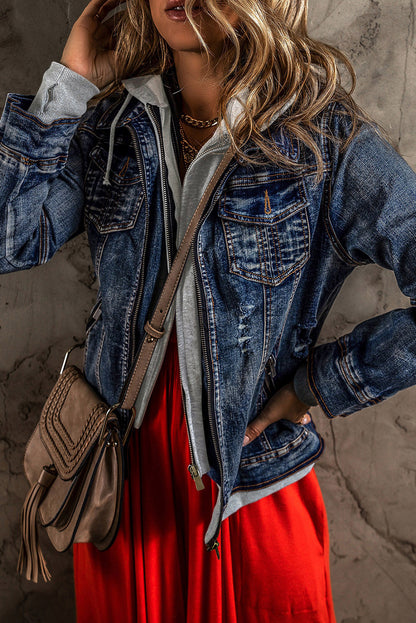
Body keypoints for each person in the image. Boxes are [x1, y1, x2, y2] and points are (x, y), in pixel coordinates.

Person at [1, 0, 416, 621]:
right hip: (121, 490)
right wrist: (70, 82)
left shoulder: (323, 140)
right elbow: (10, 238)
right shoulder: (114, 127)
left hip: (249, 492)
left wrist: (320, 384)